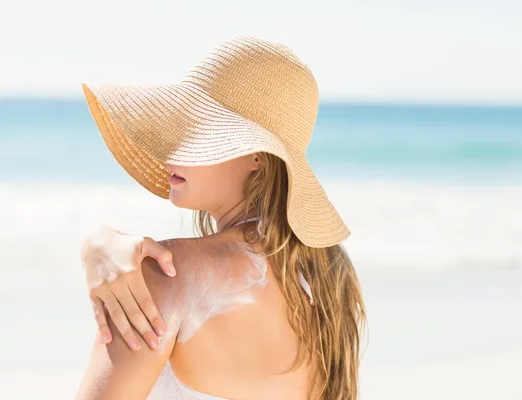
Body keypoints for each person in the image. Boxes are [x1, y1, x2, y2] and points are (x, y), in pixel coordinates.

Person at [75, 36, 366, 400]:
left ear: (257, 156)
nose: (172, 146)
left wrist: (96, 245)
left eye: (199, 128)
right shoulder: (326, 287)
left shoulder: (165, 277)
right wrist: (97, 242)